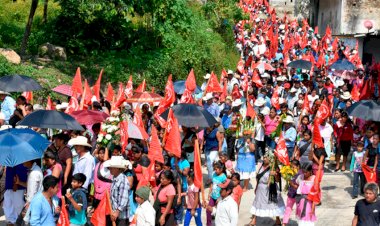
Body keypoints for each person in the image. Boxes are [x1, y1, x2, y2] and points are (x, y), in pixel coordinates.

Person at [249, 151, 285, 226]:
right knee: (257, 204)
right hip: (261, 188)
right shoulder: (260, 165)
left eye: (266, 157)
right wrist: (256, 187)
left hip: (271, 189)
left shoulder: (274, 167)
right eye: (264, 157)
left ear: (270, 158)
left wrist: (274, 174)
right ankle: (253, 220)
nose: (264, 159)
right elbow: (258, 177)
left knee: (274, 204)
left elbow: (278, 180)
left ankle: (278, 220)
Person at [104, 156, 131, 226]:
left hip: (121, 217)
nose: (110, 169)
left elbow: (123, 199)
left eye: (112, 167)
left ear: (118, 168)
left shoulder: (123, 180)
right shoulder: (114, 178)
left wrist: (117, 212)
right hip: (115, 214)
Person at [206, 161, 227, 226]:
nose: (215, 170)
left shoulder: (223, 177)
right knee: (208, 210)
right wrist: (209, 193)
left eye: (216, 169)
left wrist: (220, 198)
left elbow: (224, 188)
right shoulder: (214, 174)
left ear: (221, 169)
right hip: (213, 196)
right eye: (214, 169)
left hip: (219, 198)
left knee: (218, 212)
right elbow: (212, 184)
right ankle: (209, 224)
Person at [282, 159, 301, 226]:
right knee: (288, 208)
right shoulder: (290, 172)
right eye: (291, 167)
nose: (292, 168)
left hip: (298, 195)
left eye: (293, 167)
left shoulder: (301, 174)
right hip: (291, 193)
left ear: (298, 166)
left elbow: (299, 186)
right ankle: (284, 223)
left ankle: (301, 223)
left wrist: (290, 182)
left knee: (299, 209)